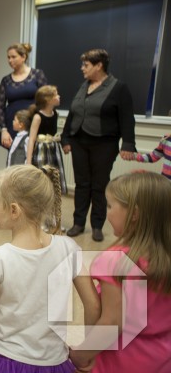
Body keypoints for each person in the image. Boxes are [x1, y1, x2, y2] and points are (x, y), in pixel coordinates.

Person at [0, 165, 100, 373]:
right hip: (52, 361)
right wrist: (88, 352)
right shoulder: (69, 248)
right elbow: (93, 305)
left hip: (1, 359)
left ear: (14, 210)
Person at [69, 172, 171, 372]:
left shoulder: (116, 261)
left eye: (109, 206)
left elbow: (112, 323)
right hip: (162, 358)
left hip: (121, 362)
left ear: (134, 214)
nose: (107, 213)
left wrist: (80, 355)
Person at [61, 49, 136, 242]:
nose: (82, 68)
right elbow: (73, 113)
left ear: (99, 65)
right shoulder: (83, 86)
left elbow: (127, 117)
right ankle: (78, 223)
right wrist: (65, 138)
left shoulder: (118, 87)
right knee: (81, 184)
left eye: (85, 65)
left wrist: (128, 143)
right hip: (79, 141)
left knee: (99, 185)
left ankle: (97, 226)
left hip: (104, 143)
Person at [0, 43, 47, 149]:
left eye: (13, 57)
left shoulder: (37, 74)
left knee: (31, 160)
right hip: (13, 126)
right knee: (15, 160)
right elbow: (0, 108)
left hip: (33, 124)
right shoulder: (6, 80)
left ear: (23, 57)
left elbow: (46, 100)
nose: (10, 60)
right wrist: (4, 130)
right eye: (8, 57)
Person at [26, 85, 67, 193]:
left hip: (53, 150)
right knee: (41, 180)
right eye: (56, 94)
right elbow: (31, 139)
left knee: (53, 179)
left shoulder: (56, 114)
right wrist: (28, 162)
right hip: (41, 151)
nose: (59, 96)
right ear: (48, 100)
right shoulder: (38, 117)